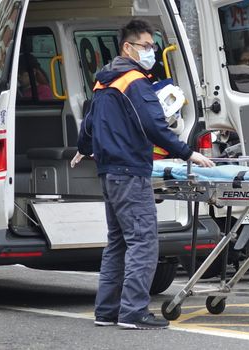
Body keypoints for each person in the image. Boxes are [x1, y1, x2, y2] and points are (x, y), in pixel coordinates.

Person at [73, 19, 214, 330]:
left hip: (109, 171)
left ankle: (107, 311)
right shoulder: (135, 81)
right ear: (128, 47)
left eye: (153, 46)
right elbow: (154, 125)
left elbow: (89, 121)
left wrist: (83, 147)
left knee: (118, 243)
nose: (152, 51)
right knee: (143, 241)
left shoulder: (105, 81)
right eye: (147, 46)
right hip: (130, 170)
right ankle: (133, 312)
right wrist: (187, 152)